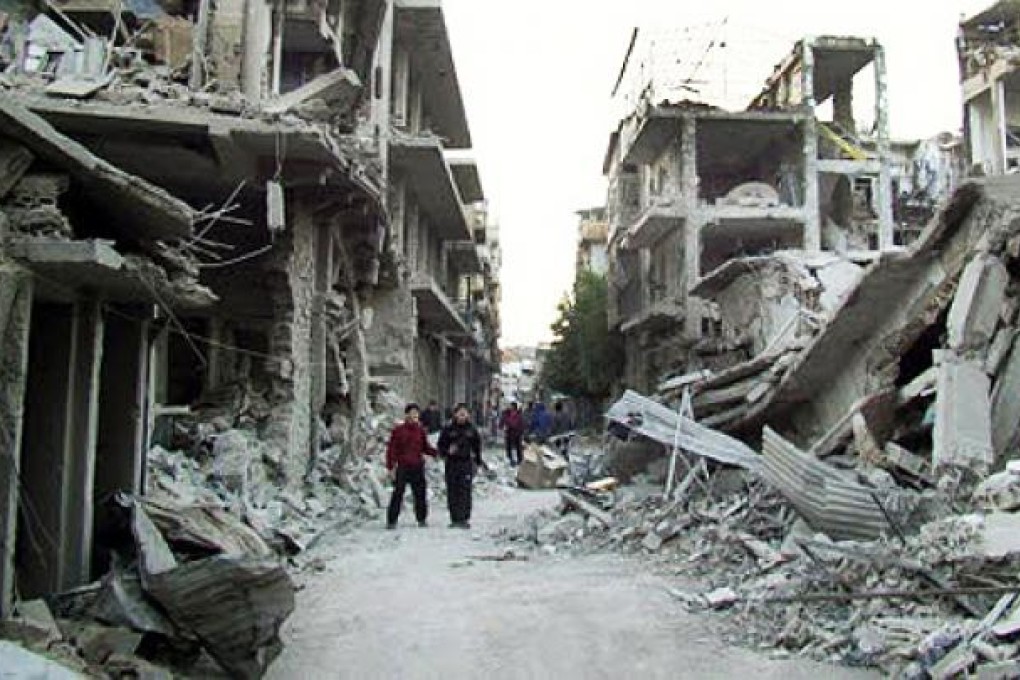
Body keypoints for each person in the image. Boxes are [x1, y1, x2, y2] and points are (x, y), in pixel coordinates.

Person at [385, 403, 437, 529]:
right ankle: (392, 520)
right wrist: (391, 466)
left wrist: (436, 453)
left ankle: (421, 518)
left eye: (416, 413)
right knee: (398, 493)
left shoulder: (420, 431)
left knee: (420, 494)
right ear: (406, 414)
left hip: (417, 466)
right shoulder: (398, 431)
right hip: (402, 466)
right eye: (412, 413)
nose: (414, 416)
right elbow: (392, 449)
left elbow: (425, 447)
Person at [437, 403, 485, 529]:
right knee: (452, 490)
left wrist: (478, 462)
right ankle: (454, 518)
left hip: (466, 463)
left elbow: (477, 447)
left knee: (465, 490)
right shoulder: (448, 429)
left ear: (468, 415)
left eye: (465, 413)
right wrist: (447, 451)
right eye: (460, 413)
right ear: (455, 414)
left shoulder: (472, 430)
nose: (462, 415)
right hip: (452, 463)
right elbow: (440, 446)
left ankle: (464, 518)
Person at [500, 401, 525, 466]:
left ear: (514, 407)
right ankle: (510, 460)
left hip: (516, 434)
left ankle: (520, 461)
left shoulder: (518, 415)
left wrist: (507, 421)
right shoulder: (507, 414)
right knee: (508, 448)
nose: (510, 407)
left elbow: (515, 424)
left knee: (518, 448)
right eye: (509, 406)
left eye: (511, 406)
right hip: (509, 433)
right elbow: (501, 423)